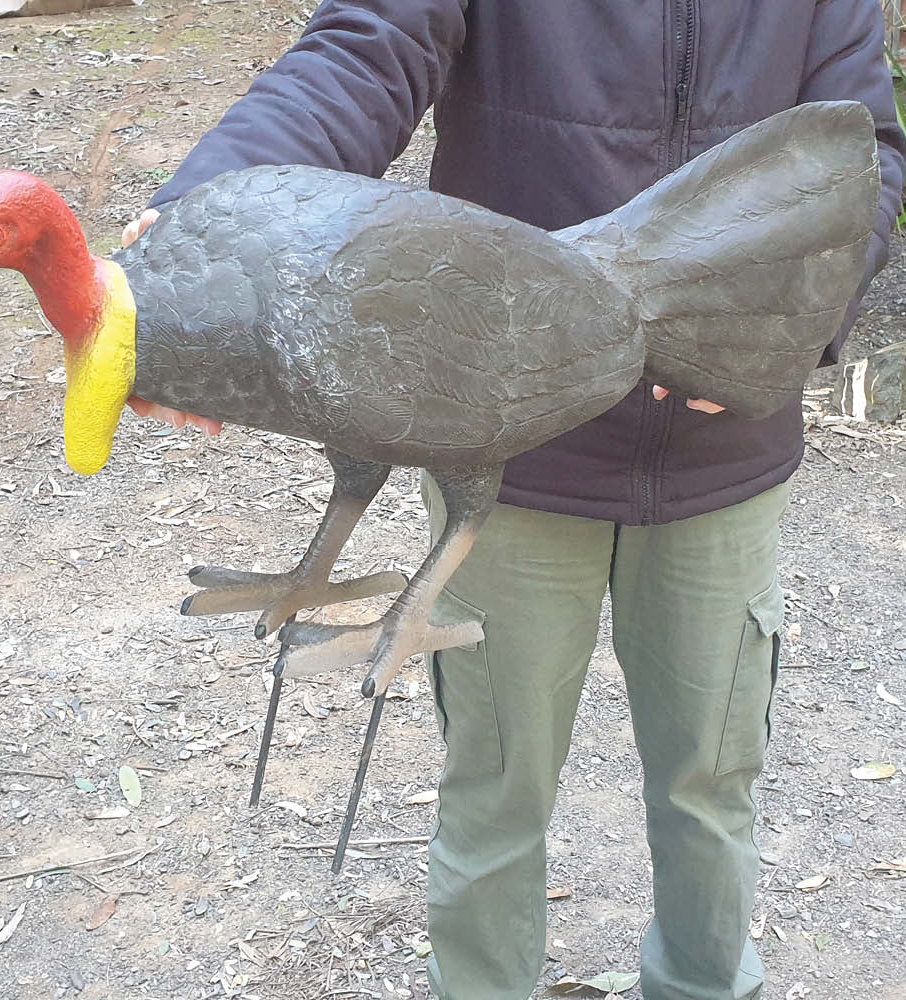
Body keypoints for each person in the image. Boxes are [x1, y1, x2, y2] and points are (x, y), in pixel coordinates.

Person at [122, 4, 906, 998]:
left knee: (709, 790)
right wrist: (204, 212)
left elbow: (857, 153)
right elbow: (365, 51)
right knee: (496, 797)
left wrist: (792, 331)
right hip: (511, 453)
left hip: (722, 457)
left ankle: (705, 983)